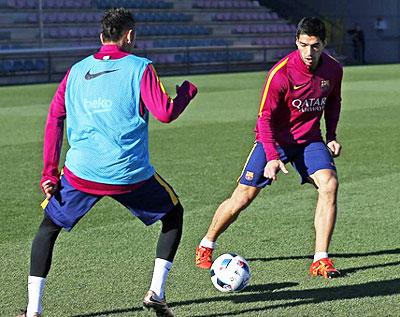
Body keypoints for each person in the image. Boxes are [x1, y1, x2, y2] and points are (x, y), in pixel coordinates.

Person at [18, 8, 197, 317]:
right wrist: (186, 93)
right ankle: (156, 291)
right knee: (174, 214)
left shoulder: (75, 70)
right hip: (129, 175)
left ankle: (33, 310)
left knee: (47, 230)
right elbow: (166, 113)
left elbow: (54, 118)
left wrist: (50, 172)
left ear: (102, 36)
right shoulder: (141, 67)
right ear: (129, 36)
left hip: (82, 173)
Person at [196, 17, 343, 279]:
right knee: (242, 197)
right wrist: (273, 157)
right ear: (296, 42)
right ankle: (207, 243)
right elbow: (263, 118)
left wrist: (331, 135)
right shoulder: (282, 72)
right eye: (303, 45)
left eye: (315, 46)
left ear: (324, 44)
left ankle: (320, 260)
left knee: (329, 184)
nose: (309, 53)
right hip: (273, 140)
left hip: (309, 141)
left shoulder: (333, 70)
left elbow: (333, 102)